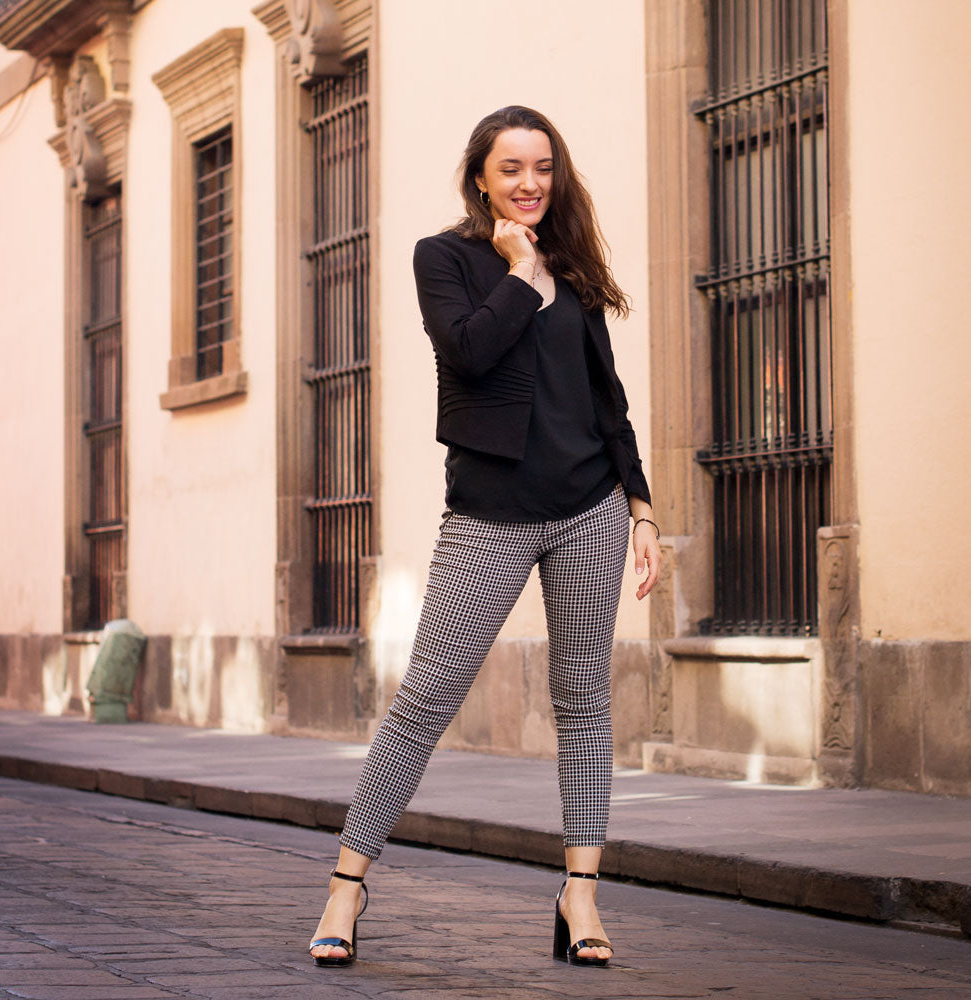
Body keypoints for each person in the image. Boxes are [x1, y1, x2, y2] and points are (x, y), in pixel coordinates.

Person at [309, 105, 661, 969]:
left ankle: (580, 892)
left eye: (543, 166)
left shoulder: (577, 273)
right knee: (424, 700)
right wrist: (516, 267)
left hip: (588, 511)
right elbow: (467, 353)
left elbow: (607, 402)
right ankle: (346, 886)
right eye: (511, 168)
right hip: (490, 513)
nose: (530, 182)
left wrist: (642, 509)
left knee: (584, 704)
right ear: (480, 177)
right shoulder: (448, 259)